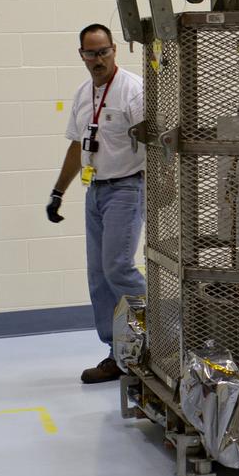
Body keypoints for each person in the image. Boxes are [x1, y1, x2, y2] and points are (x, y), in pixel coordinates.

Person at [47, 24, 146, 383]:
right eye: (91, 53)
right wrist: (58, 191)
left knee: (118, 267)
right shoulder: (83, 94)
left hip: (128, 188)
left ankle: (162, 333)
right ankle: (118, 353)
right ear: (81, 56)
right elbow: (78, 146)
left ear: (115, 50)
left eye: (103, 51)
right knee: (99, 277)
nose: (97, 59)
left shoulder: (132, 91)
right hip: (96, 191)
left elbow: (154, 144)